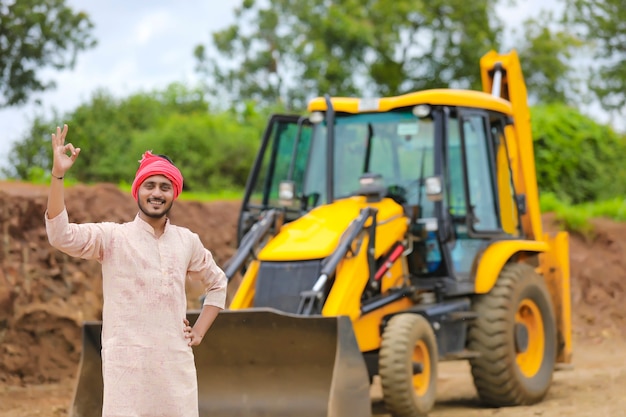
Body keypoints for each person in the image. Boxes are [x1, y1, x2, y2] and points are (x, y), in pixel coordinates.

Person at [45, 124, 227, 417]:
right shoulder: (113, 237)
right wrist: (58, 175)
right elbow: (60, 235)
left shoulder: (187, 241)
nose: (157, 193)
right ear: (137, 191)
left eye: (165, 187)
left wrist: (199, 332)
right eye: (150, 186)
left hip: (175, 368)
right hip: (126, 370)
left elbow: (217, 283)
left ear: (174, 193)